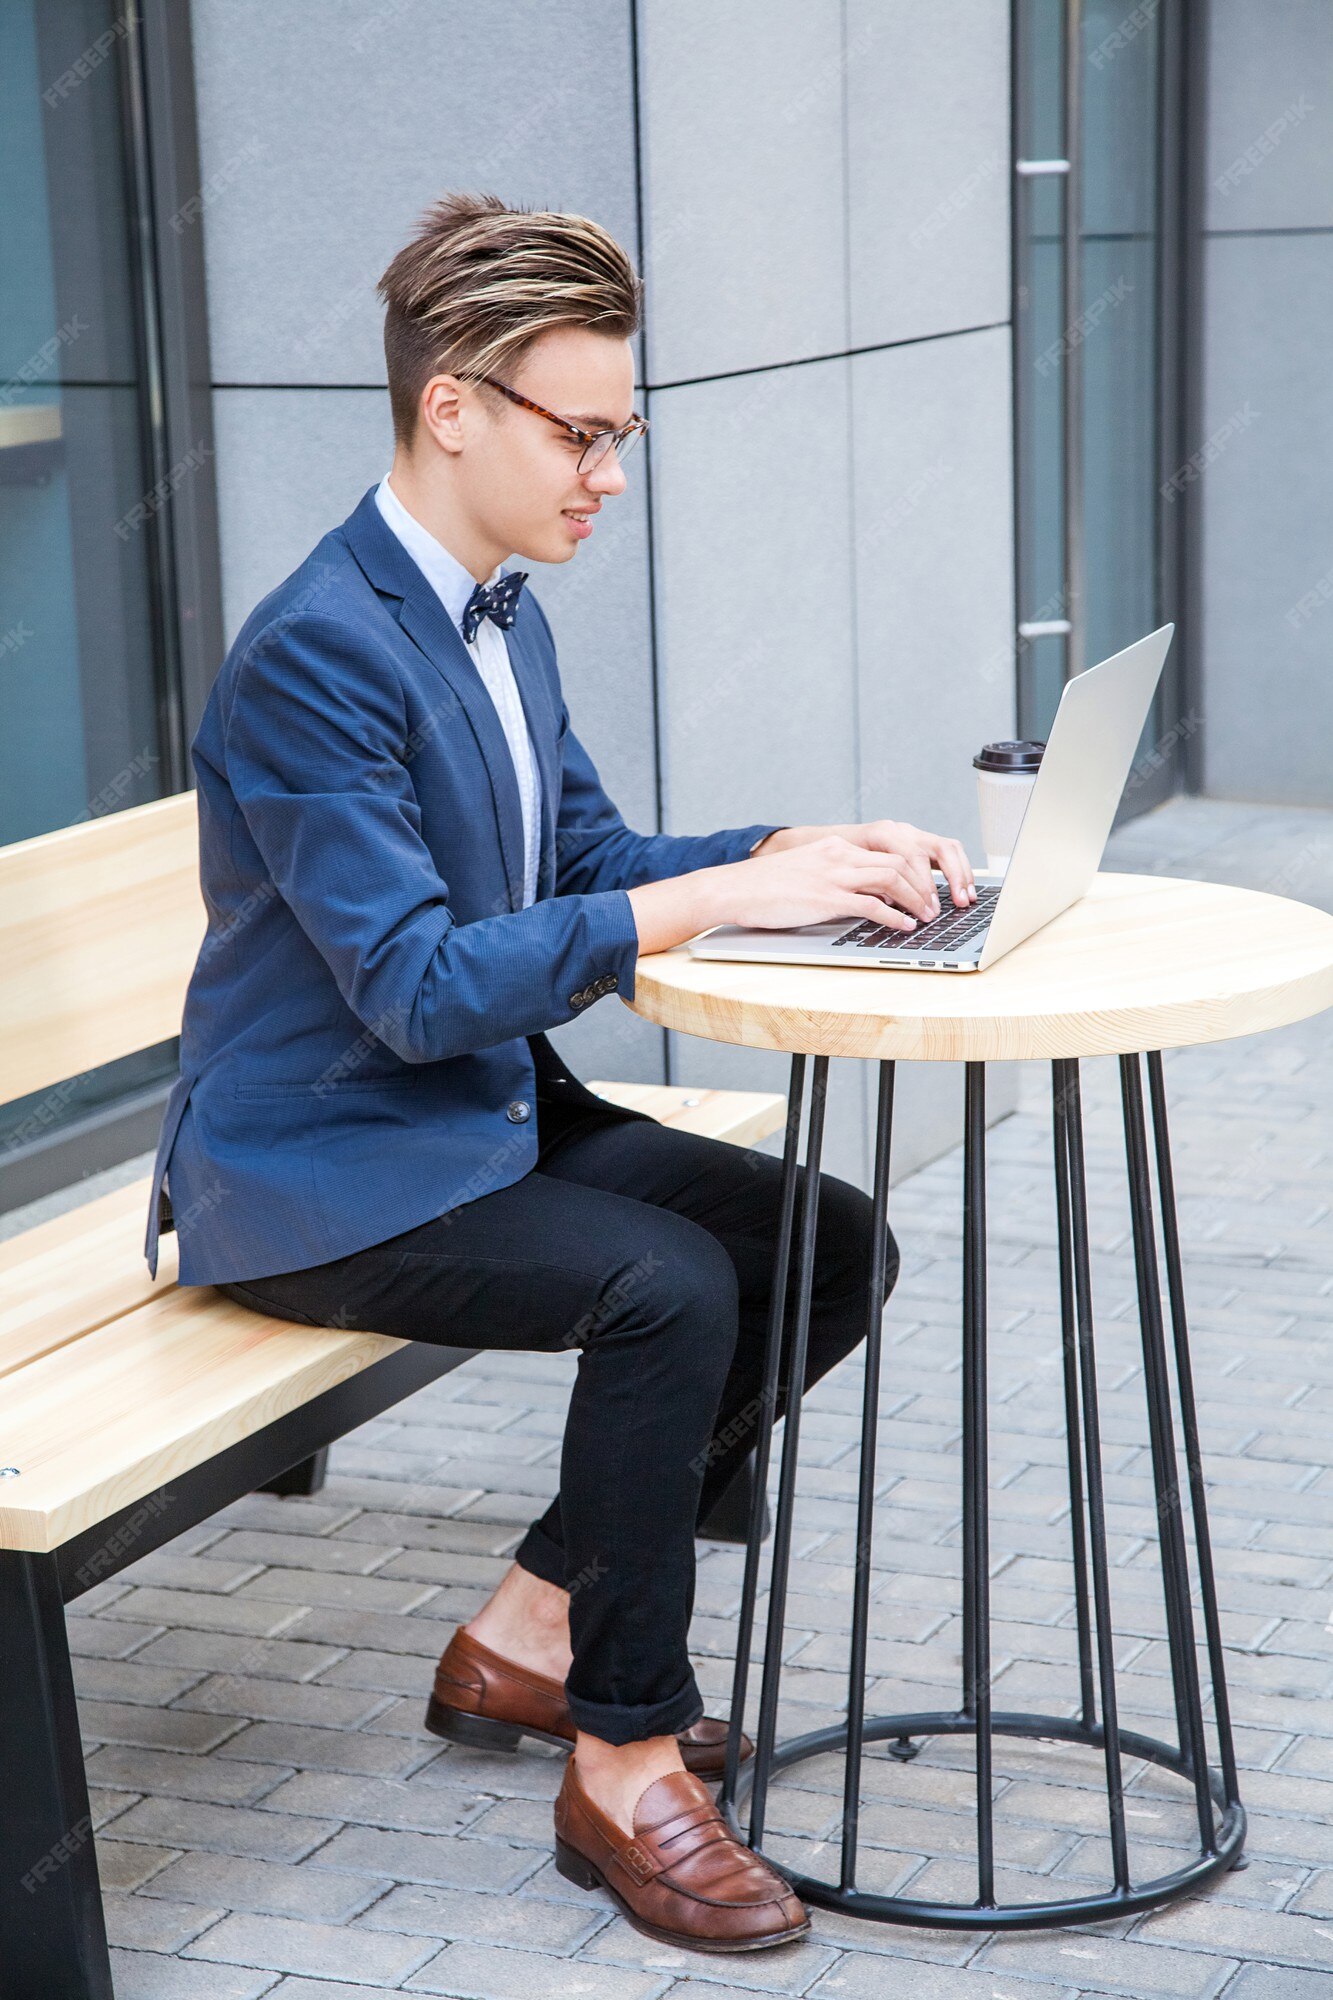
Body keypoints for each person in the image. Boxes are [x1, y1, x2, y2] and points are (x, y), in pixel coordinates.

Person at [143, 191, 976, 1952]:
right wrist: (711, 900)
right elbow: (414, 988)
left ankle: (532, 1629)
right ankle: (619, 1760)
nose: (607, 472)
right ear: (453, 404)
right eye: (580, 433)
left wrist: (798, 849)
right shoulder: (318, 651)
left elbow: (587, 855)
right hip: (314, 1169)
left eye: (623, 435)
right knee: (665, 1289)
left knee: (827, 1239)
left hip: (469, 1121)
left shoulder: (498, 613)